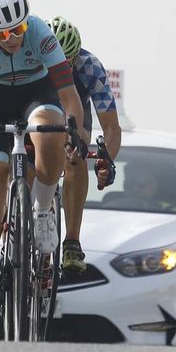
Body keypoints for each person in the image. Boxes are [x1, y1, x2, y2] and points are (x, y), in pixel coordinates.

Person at [0, 0, 88, 323]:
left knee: (51, 132)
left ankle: (42, 209)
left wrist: (75, 129)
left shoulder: (41, 32)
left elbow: (69, 96)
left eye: (18, 29)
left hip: (36, 92)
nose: (12, 38)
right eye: (1, 34)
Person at [47, 17, 122, 274]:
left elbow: (111, 127)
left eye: (67, 63)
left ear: (76, 57)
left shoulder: (89, 66)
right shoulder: (29, 59)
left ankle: (72, 241)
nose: (60, 69)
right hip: (39, 104)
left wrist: (106, 161)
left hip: (75, 109)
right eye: (53, 63)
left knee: (76, 155)